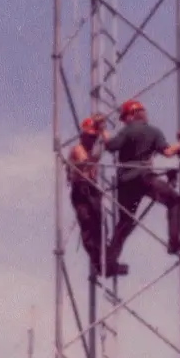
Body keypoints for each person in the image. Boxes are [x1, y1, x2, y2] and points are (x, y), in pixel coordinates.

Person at [103, 99, 180, 275]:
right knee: (174, 200)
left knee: (125, 222)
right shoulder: (154, 132)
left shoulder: (127, 131)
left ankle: (109, 262)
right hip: (145, 178)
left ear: (131, 115)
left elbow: (111, 146)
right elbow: (168, 152)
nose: (124, 121)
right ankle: (174, 242)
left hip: (126, 182)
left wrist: (102, 131)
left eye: (124, 117)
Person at [68, 114, 109, 275]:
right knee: (87, 222)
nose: (92, 139)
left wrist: (103, 130)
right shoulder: (78, 149)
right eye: (90, 136)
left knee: (98, 222)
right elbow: (86, 160)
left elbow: (108, 144)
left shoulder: (93, 149)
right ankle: (97, 260)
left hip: (92, 188)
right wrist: (101, 134)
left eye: (94, 137)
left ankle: (103, 258)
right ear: (83, 135)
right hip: (81, 188)